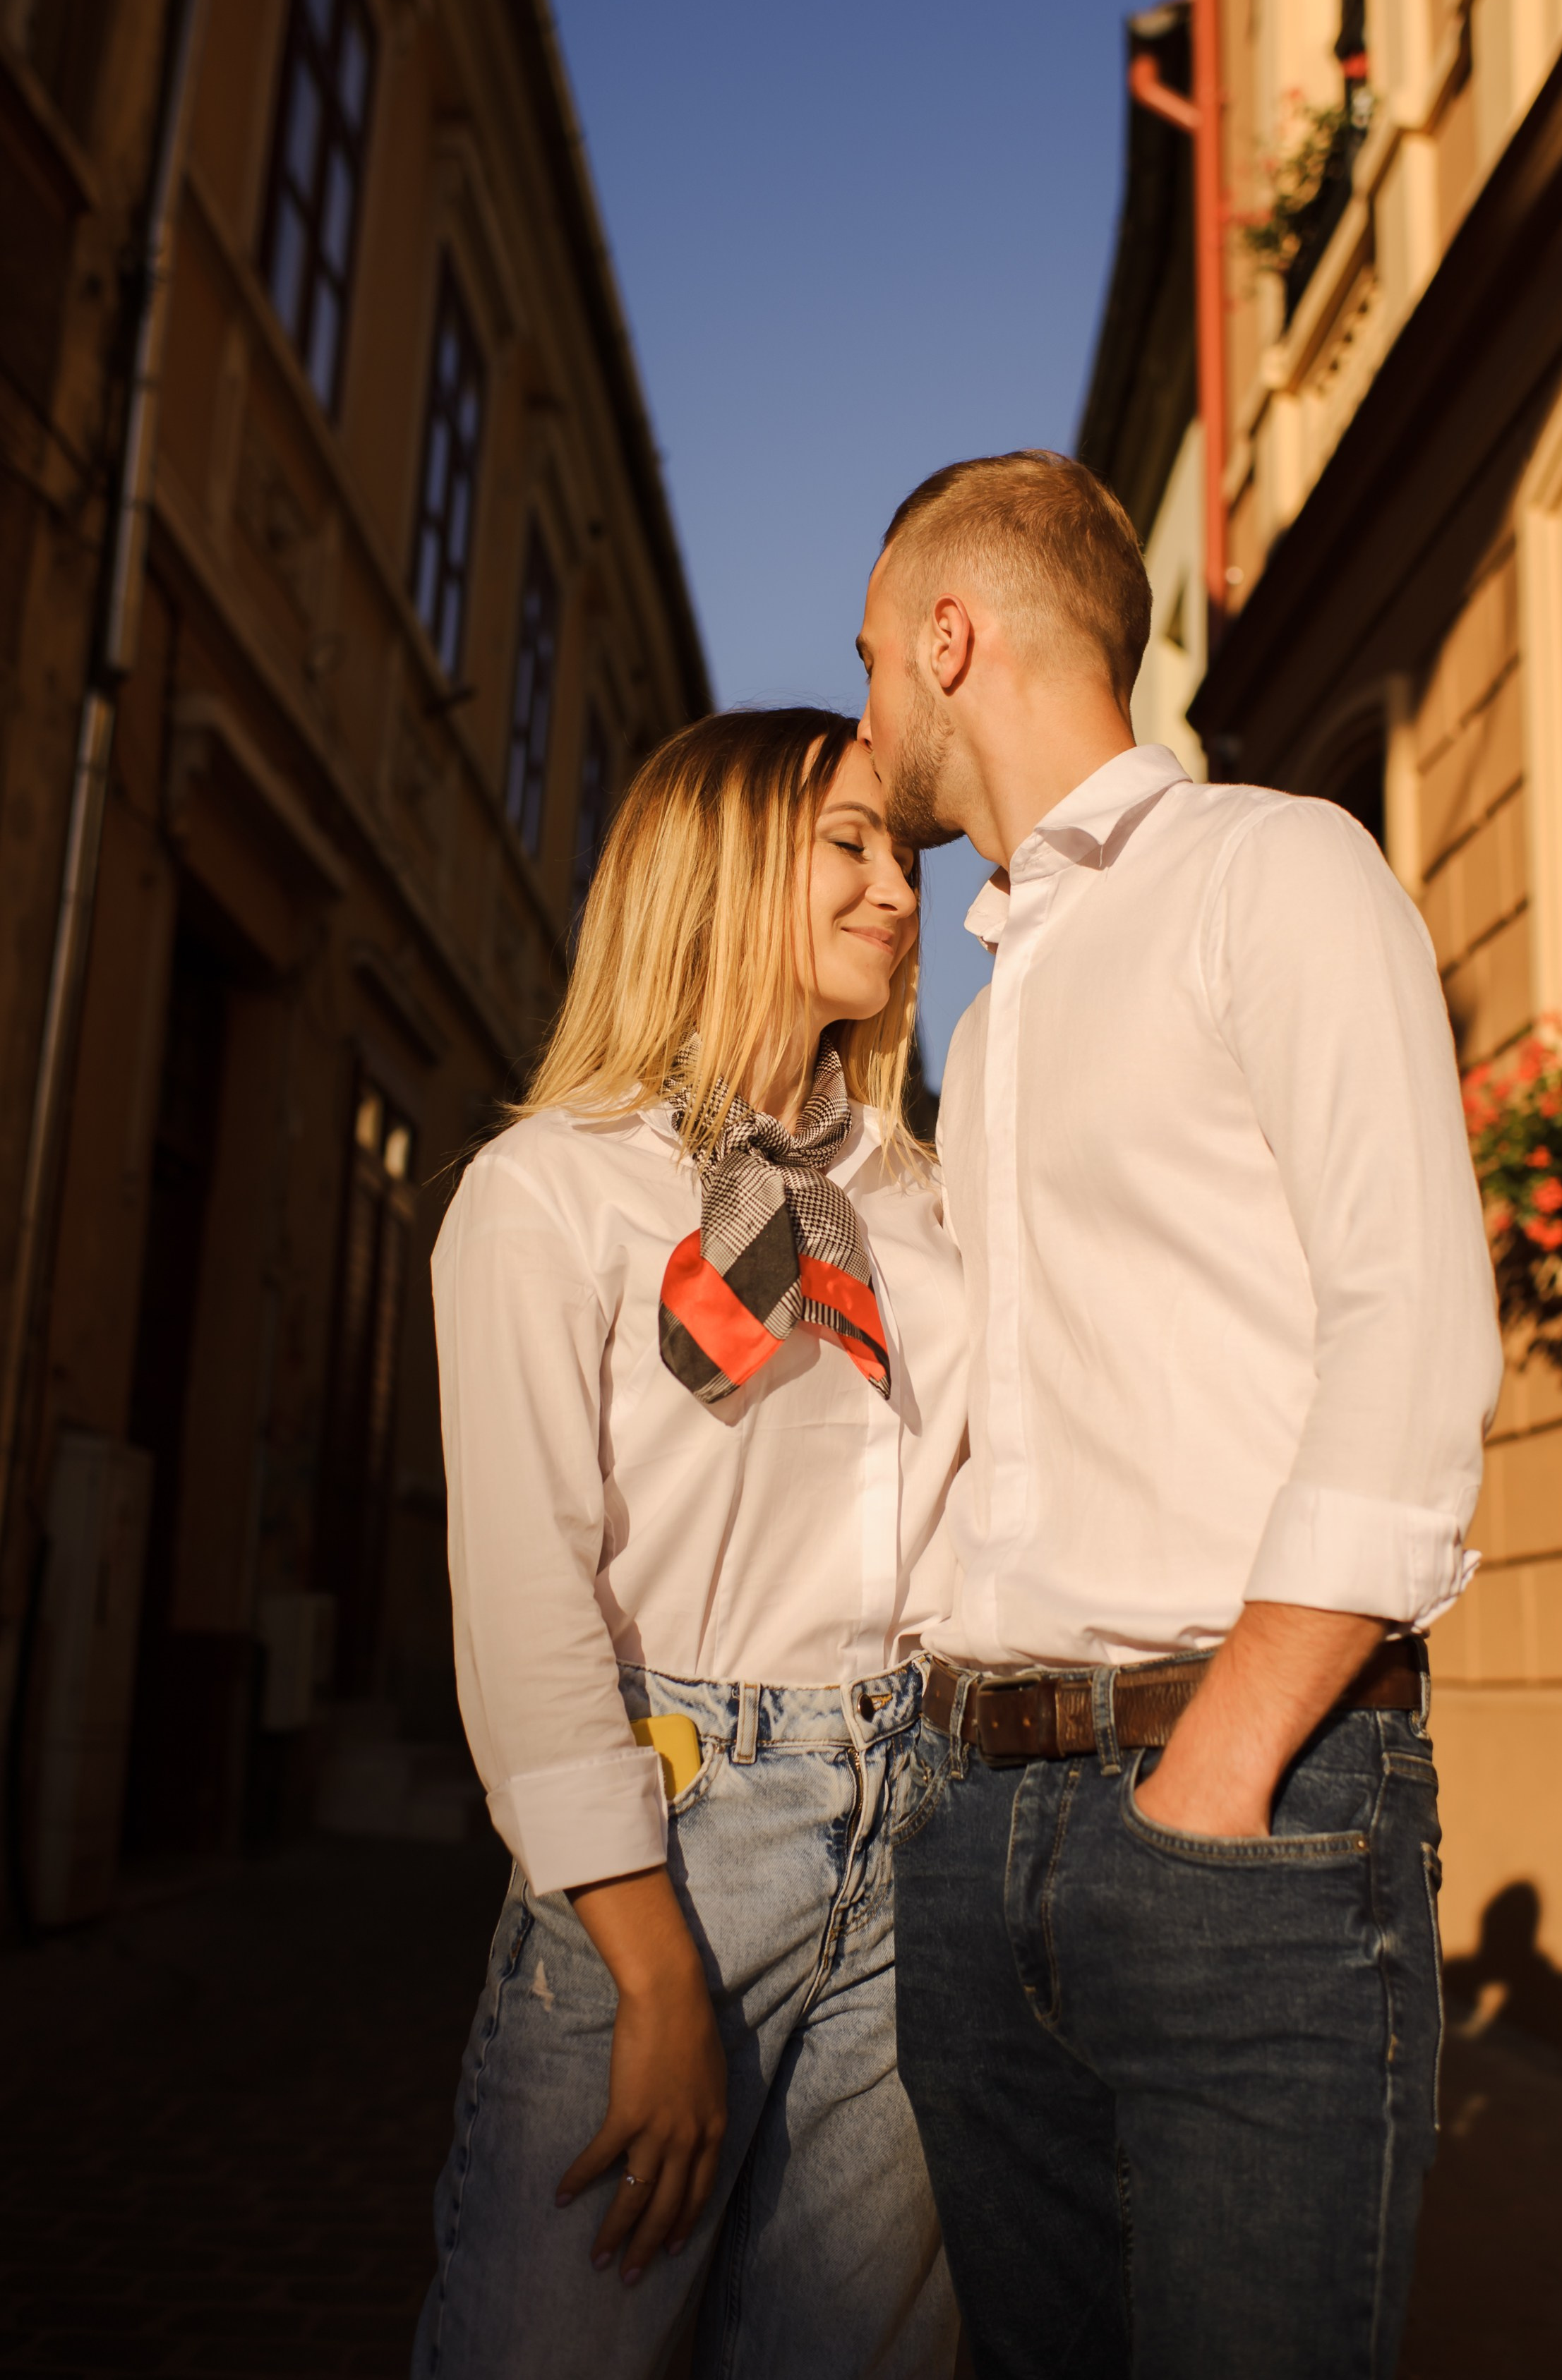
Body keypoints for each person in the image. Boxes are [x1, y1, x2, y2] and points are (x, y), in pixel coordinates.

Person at [855, 450, 1503, 2380]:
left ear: (948, 637)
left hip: (1247, 1817)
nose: (869, 706)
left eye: (874, 655)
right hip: (983, 1853)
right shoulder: (1001, 989)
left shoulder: (1272, 867)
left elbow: (1409, 1324)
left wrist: (1210, 1773)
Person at [412, 711, 965, 2380]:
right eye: (848, 844)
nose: (896, 889)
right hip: (679, 1826)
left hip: (921, 1813)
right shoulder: (547, 1192)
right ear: (714, 870)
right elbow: (528, 1602)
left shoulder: (923, 1199)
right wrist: (649, 1967)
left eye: (902, 854)